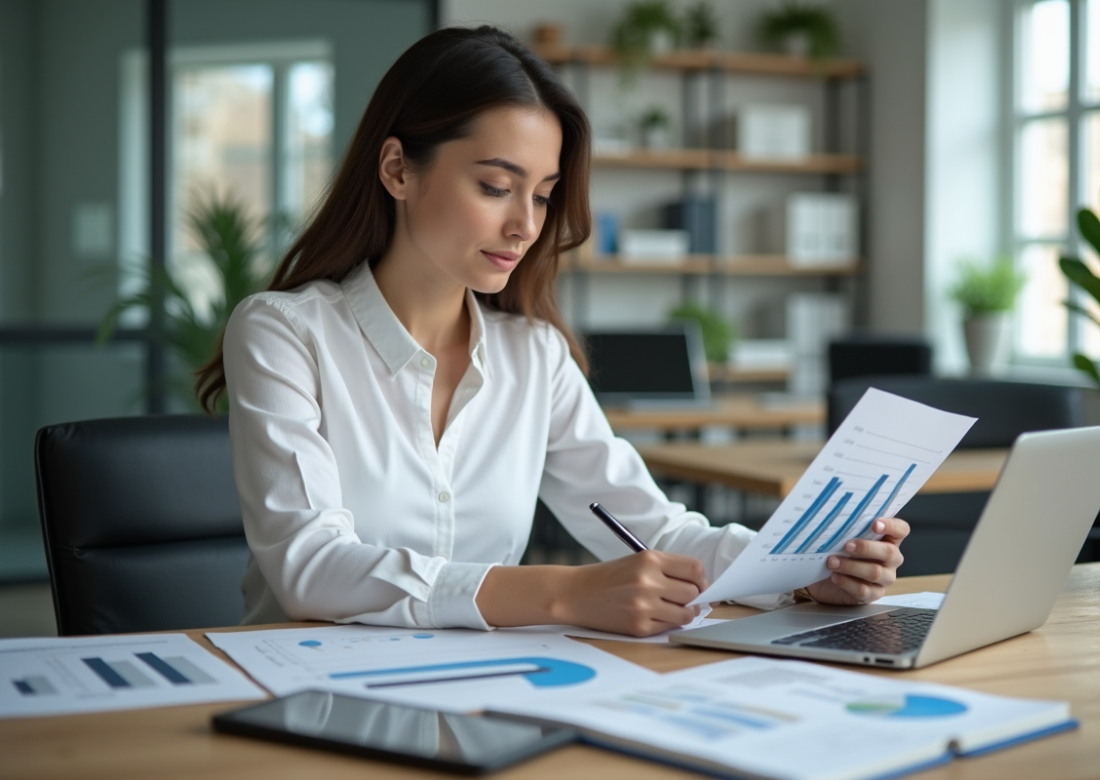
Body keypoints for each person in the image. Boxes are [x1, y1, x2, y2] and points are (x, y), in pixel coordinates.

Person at [196, 26, 909, 637]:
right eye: (496, 187)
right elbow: (309, 566)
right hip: (297, 696)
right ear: (397, 170)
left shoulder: (533, 357)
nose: (526, 225)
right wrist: (563, 593)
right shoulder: (284, 333)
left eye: (541, 195)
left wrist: (805, 572)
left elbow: (652, 530)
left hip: (475, 697)